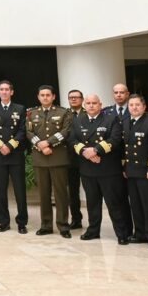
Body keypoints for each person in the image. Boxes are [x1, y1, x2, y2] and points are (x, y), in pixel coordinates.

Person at [70, 93, 131, 244]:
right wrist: (86, 152)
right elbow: (72, 139)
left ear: (100, 105)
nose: (91, 105)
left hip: (108, 169)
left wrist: (96, 150)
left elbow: (115, 139)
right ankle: (93, 231)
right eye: (88, 103)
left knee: (114, 203)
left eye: (94, 103)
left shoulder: (111, 119)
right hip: (87, 169)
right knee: (92, 203)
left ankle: (122, 233)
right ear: (84, 105)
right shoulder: (78, 120)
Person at [27, 85, 73, 238]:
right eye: (42, 95)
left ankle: (63, 225)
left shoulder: (63, 112)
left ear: (53, 96)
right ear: (38, 97)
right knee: (43, 194)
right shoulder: (31, 113)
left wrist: (49, 143)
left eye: (48, 95)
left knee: (61, 194)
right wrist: (39, 144)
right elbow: (28, 131)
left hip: (57, 157)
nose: (45, 97)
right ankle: (46, 225)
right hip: (40, 158)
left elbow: (66, 131)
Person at [122, 94, 148, 249]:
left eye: (137, 105)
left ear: (144, 107)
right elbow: (125, 148)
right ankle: (140, 234)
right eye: (131, 105)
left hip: (147, 171)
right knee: (136, 205)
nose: (134, 107)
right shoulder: (126, 122)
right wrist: (124, 168)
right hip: (132, 171)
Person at [0, 81, 27, 233]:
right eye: (1, 90)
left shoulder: (20, 108)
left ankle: (22, 222)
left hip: (15, 155)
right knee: (0, 190)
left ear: (12, 92)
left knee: (19, 191)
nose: (4, 92)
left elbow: (22, 130)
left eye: (7, 89)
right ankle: (3, 221)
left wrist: (9, 145)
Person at [64, 89, 85, 229]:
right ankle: (76, 219)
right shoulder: (64, 114)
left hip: (87, 157)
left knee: (92, 190)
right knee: (73, 192)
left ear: (82, 99)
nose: (73, 100)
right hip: (71, 158)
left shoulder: (89, 112)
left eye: (76, 97)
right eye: (71, 97)